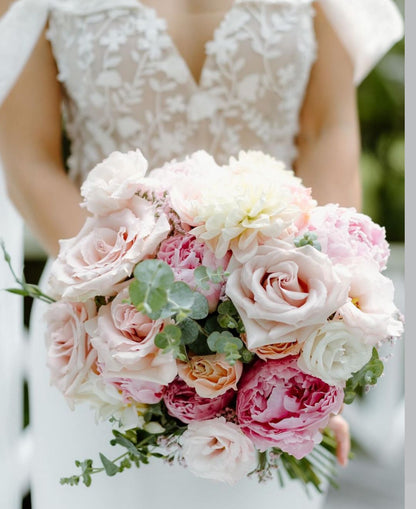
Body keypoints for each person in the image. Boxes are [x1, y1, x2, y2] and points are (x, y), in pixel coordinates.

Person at [0, 1, 403, 508]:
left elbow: (329, 134)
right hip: (100, 332)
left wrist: (311, 324)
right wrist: (122, 298)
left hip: (274, 331)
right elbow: (29, 159)